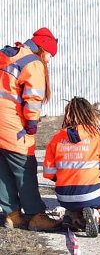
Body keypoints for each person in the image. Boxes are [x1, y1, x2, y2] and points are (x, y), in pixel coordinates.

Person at [0, 28, 62, 231]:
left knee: (3, 171)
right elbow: (33, 98)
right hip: (12, 123)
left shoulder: (7, 54)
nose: (48, 61)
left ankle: (13, 215)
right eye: (49, 56)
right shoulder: (32, 62)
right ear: (43, 50)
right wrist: (32, 124)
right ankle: (36, 216)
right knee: (24, 167)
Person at [43, 97, 100, 237]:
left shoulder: (56, 139)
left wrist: (65, 178)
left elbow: (49, 172)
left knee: (78, 200)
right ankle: (98, 214)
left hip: (64, 197)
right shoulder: (98, 136)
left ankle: (73, 215)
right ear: (90, 113)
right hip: (91, 193)